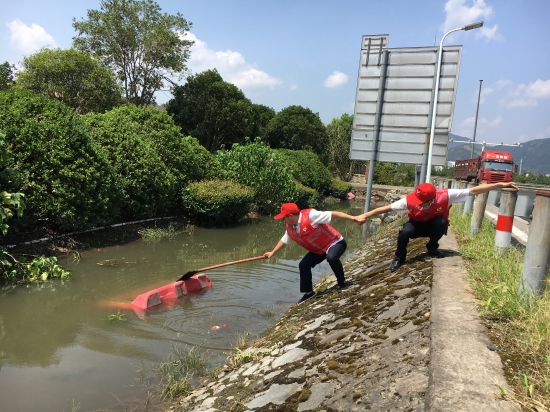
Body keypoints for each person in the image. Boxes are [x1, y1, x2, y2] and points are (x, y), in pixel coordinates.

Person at [361, 181, 519, 272]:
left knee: (441, 223)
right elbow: (386, 208)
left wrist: (500, 184)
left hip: (434, 225)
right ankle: (399, 258)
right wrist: (366, 215)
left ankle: (432, 247)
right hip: (416, 224)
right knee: (404, 232)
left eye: (422, 202)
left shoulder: (446, 195)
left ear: (431, 199)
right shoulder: (409, 200)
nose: (418, 203)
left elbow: (473, 191)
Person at [264, 202, 365, 303]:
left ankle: (342, 283)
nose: (283, 220)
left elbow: (332, 214)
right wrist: (272, 252)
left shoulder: (311, 216)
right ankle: (309, 293)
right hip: (319, 250)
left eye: (284, 217)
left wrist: (353, 218)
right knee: (303, 265)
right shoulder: (291, 226)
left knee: (331, 257)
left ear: (290, 216)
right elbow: (284, 240)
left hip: (335, 243)